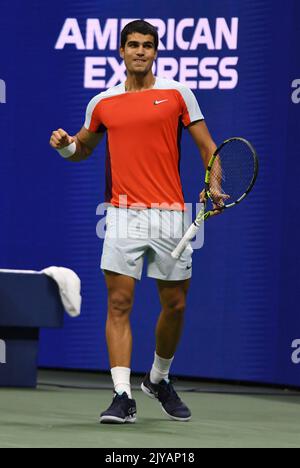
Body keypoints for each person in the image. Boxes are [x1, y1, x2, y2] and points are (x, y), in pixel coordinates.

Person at [50, 20, 221, 424]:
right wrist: (64, 147)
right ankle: (122, 396)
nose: (140, 51)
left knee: (175, 304)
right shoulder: (103, 103)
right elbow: (83, 148)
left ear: (155, 52)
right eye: (133, 45)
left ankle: (159, 378)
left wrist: (213, 185)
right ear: (121, 52)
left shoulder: (178, 94)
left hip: (171, 215)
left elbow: (208, 147)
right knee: (119, 302)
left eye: (147, 45)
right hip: (122, 213)